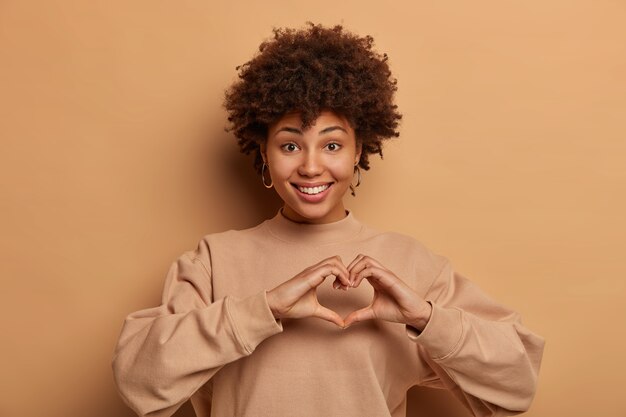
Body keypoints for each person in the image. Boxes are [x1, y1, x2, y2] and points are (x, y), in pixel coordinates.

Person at [111, 22, 545, 417]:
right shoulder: (213, 261)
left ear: (360, 150)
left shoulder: (411, 265)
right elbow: (138, 381)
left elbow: (517, 383)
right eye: (290, 145)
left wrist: (427, 319)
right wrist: (262, 310)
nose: (312, 167)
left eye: (333, 145)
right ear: (264, 152)